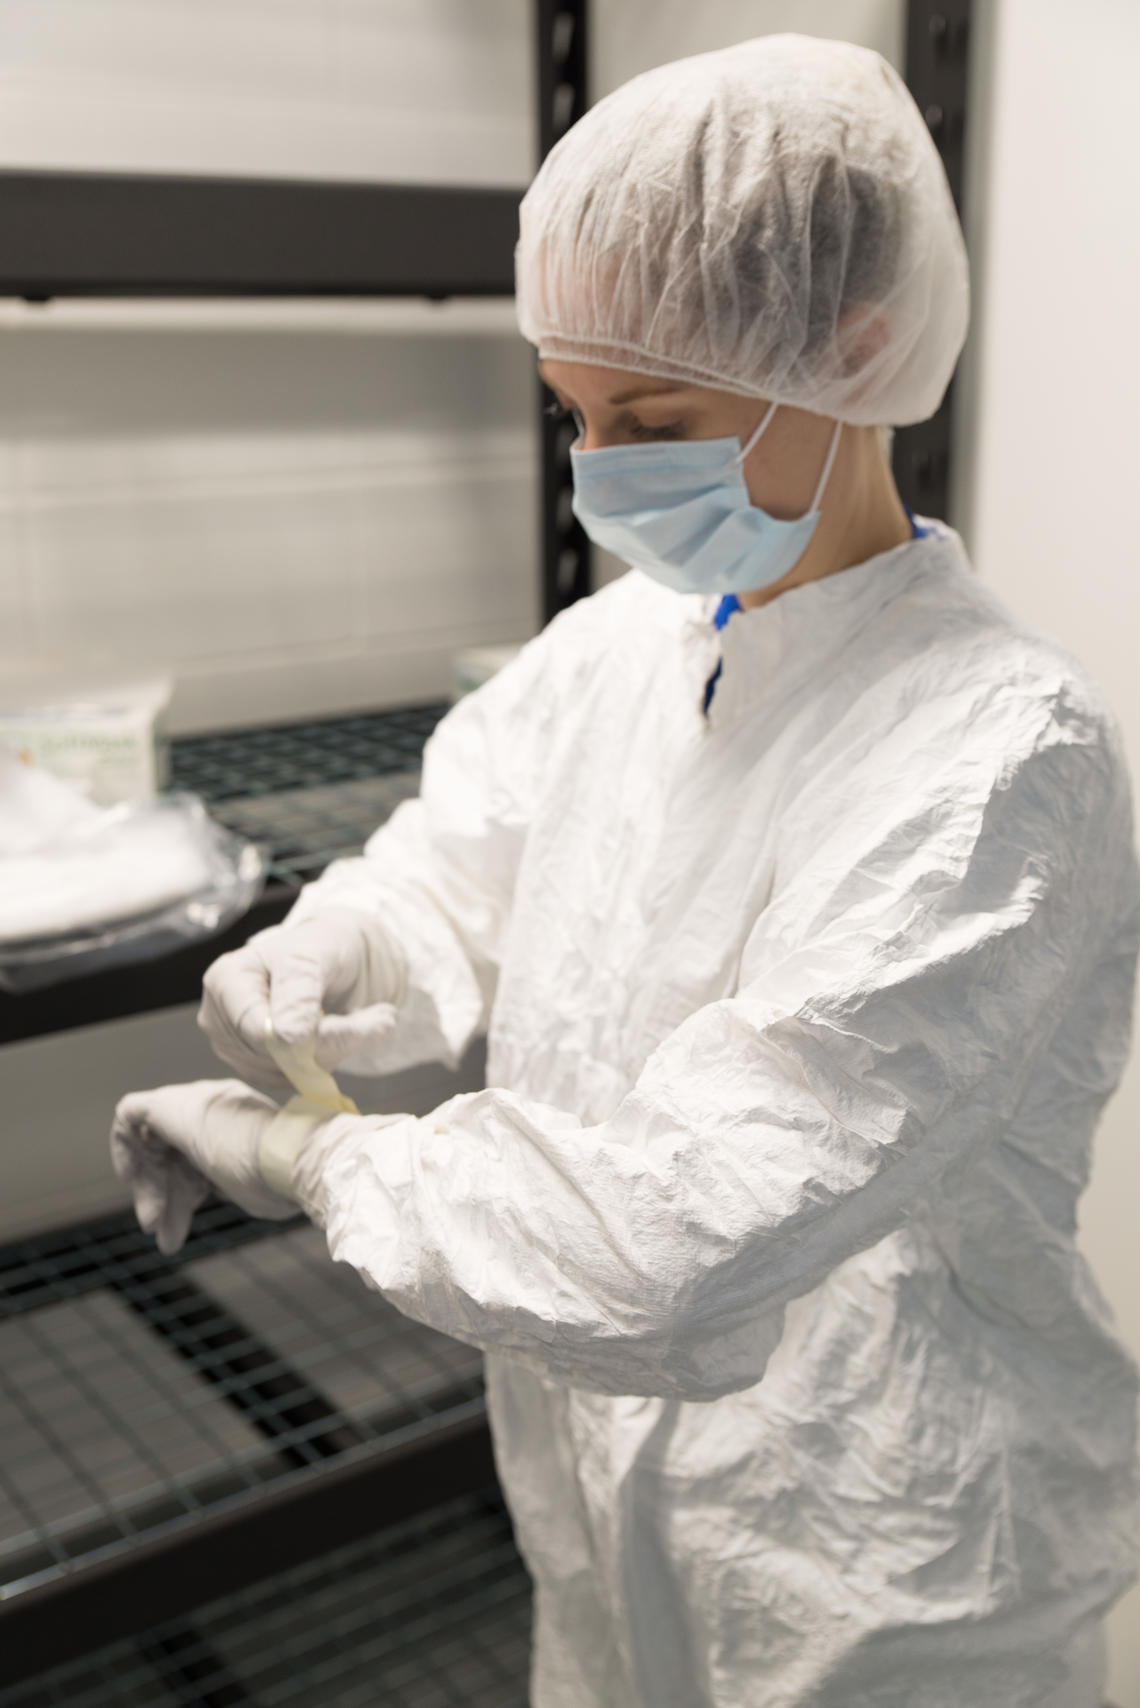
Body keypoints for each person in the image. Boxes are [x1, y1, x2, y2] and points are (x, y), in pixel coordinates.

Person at [111, 35, 1138, 1708]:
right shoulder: (621, 652)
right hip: (602, 1514)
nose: (599, 470)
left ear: (853, 349)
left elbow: (681, 1237)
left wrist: (312, 1164)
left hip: (881, 1576)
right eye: (575, 412)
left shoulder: (997, 758)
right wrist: (349, 941)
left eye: (651, 417)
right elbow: (464, 869)